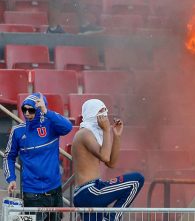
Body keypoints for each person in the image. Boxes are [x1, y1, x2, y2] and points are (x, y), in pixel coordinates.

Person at [3, 93, 73, 221]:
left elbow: (68, 127)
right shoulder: (17, 131)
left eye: (31, 110)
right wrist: (11, 178)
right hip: (32, 193)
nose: (27, 113)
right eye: (24, 109)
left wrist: (46, 111)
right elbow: (8, 156)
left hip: (55, 189)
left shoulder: (51, 124)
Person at [72, 99, 144, 221]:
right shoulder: (84, 134)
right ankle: (112, 218)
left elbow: (111, 163)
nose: (105, 115)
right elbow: (105, 157)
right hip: (89, 191)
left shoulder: (94, 134)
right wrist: (106, 130)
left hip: (90, 193)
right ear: (92, 113)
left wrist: (116, 136)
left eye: (105, 111)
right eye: (101, 111)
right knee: (136, 180)